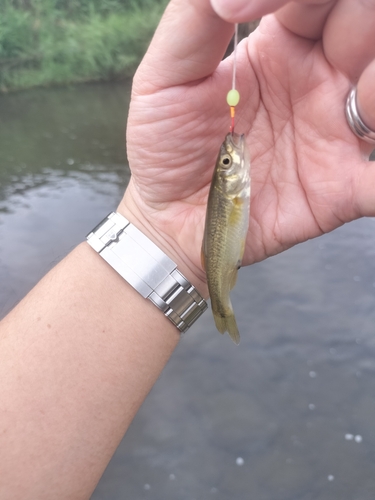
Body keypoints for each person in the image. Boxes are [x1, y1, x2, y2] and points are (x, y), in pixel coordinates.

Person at [1, 0, 374, 497]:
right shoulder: (233, 178)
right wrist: (157, 229)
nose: (232, 159)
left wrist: (154, 229)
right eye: (228, 162)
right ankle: (222, 305)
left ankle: (222, 305)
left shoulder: (233, 177)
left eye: (227, 161)